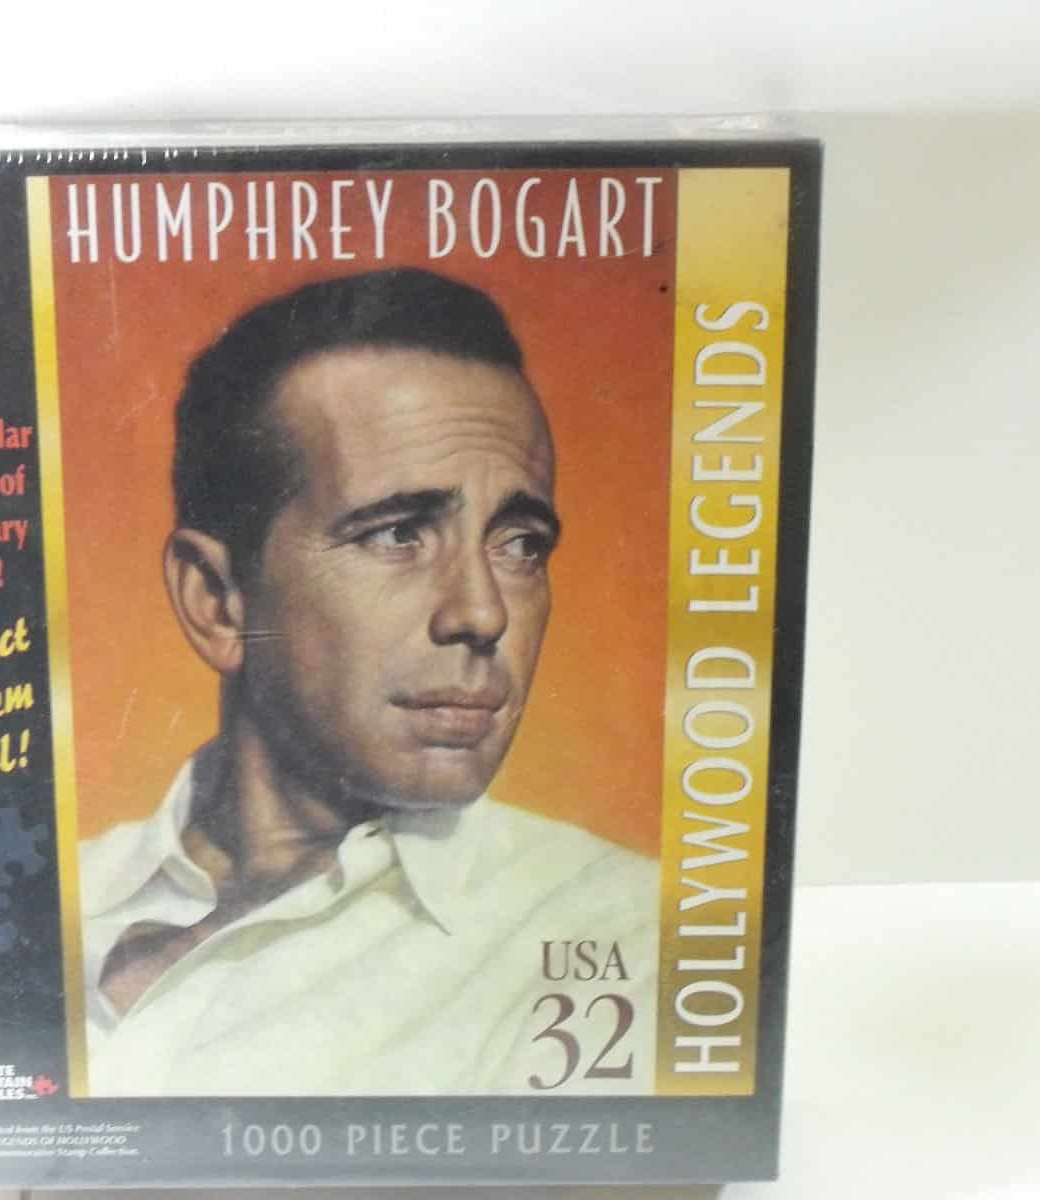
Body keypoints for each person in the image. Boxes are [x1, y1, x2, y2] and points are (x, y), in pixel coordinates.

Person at [79, 268, 658, 1096]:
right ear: (217, 600)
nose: (484, 613)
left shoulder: (632, 935)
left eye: (521, 544)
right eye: (397, 535)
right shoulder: (52, 900)